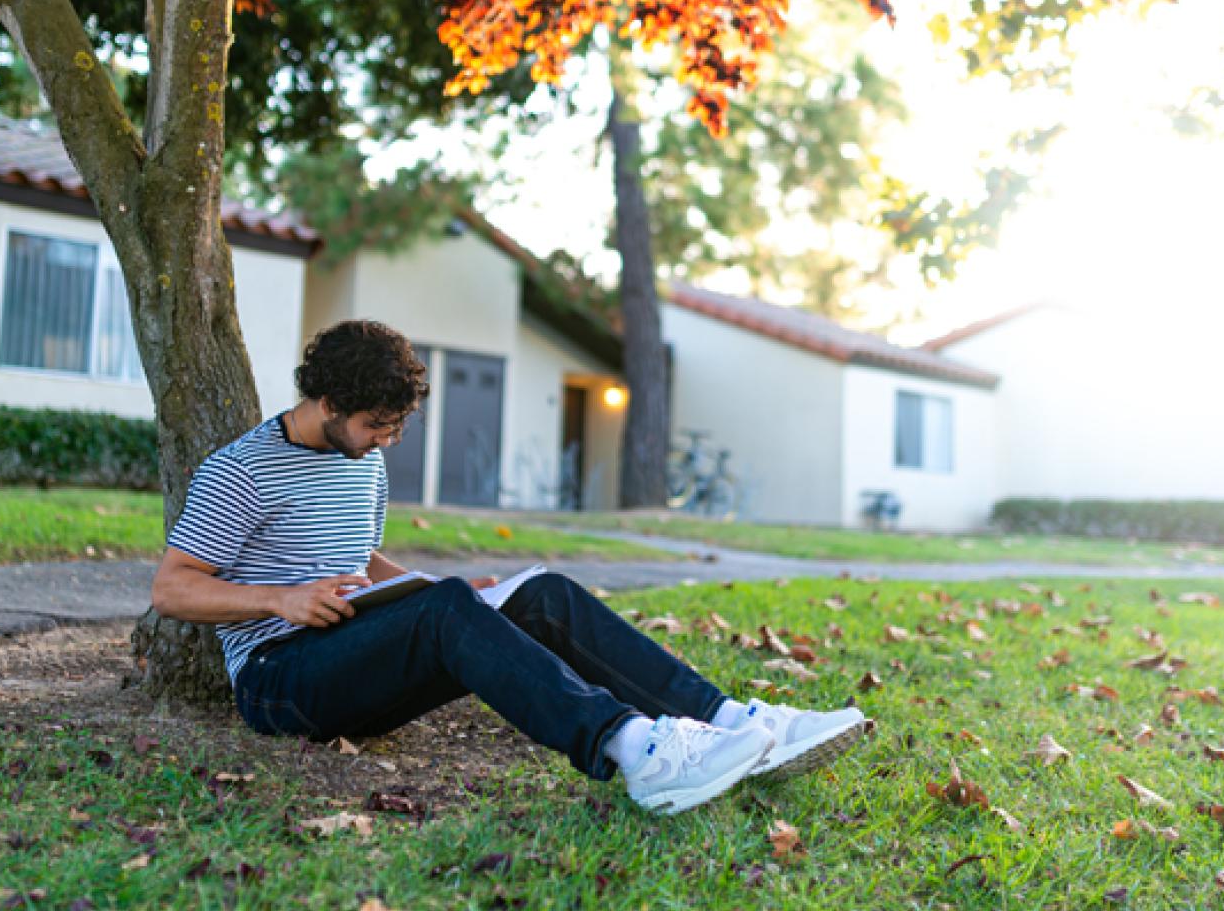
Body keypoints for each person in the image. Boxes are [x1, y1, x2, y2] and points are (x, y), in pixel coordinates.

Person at [150, 320, 869, 813]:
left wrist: (438, 591)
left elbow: (356, 559)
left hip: (349, 650)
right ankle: (636, 751)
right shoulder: (242, 470)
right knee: (449, 608)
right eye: (376, 425)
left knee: (541, 592)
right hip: (280, 679)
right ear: (329, 402)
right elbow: (172, 587)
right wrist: (282, 601)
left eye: (398, 427)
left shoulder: (359, 463)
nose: (386, 442)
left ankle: (734, 720)